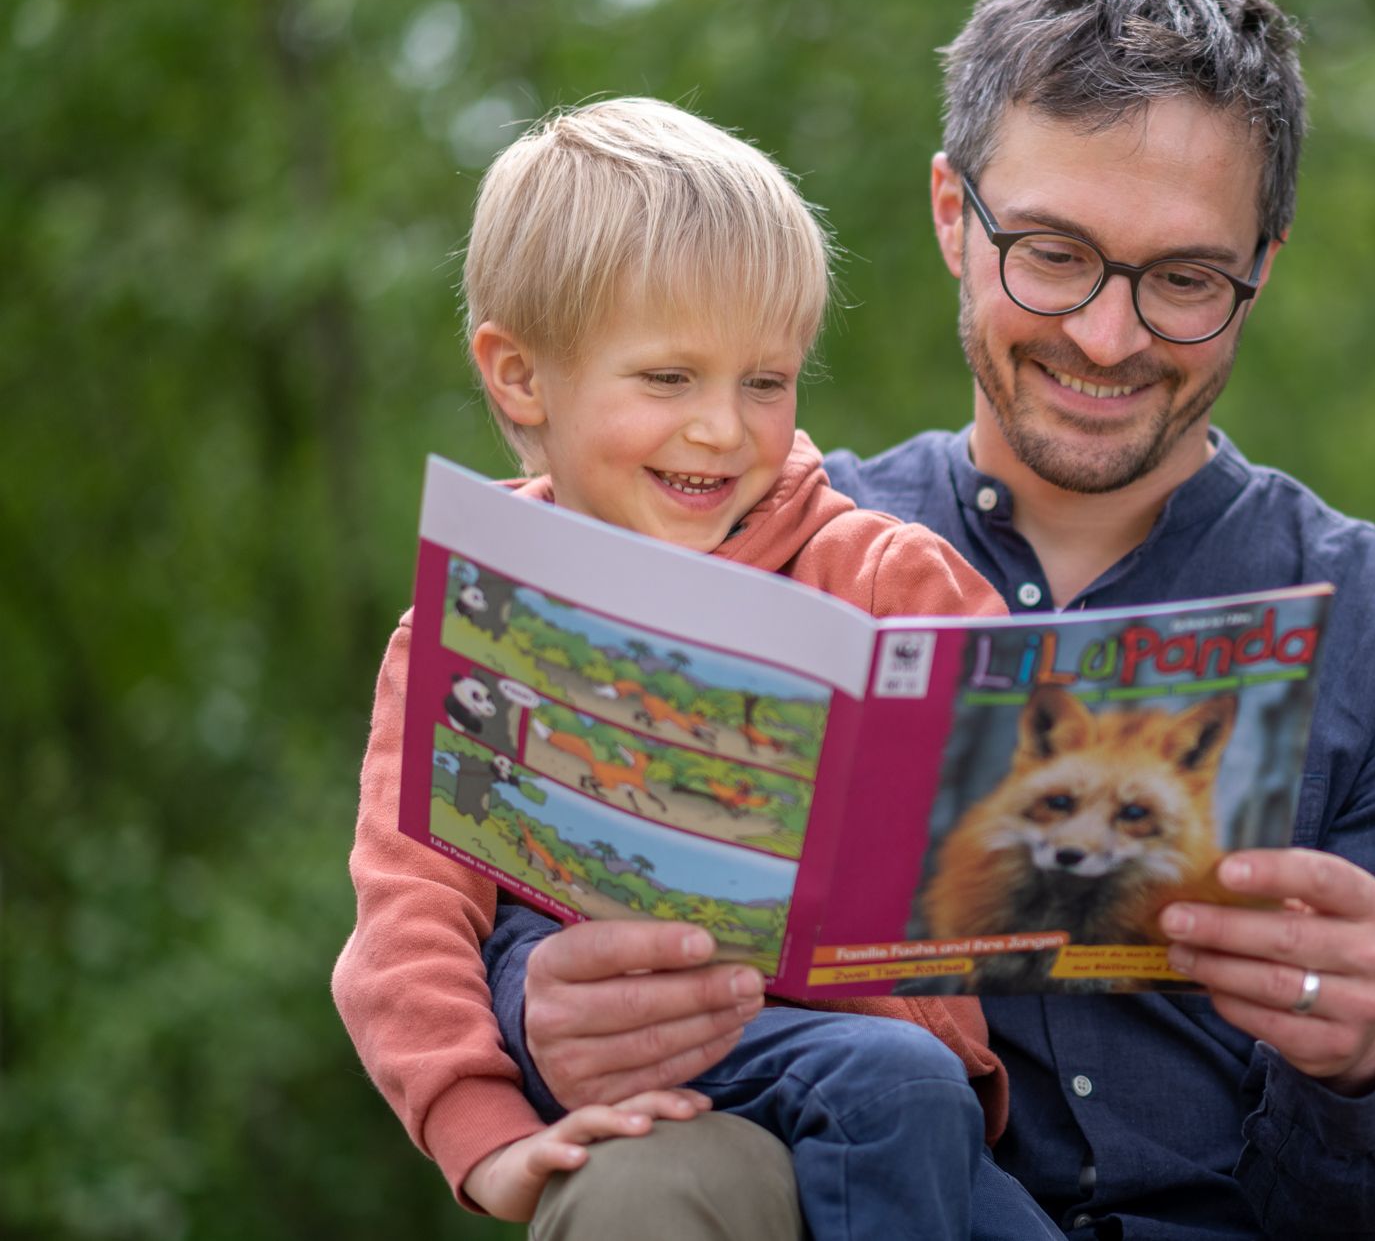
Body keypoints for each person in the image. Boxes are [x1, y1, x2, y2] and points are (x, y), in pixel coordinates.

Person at [484, 0, 1375, 1240]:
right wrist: (541, 1002)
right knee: (643, 1180)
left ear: (1264, 263)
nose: (1105, 334)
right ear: (948, 215)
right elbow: (490, 902)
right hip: (821, 1190)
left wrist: (1362, 1057)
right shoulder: (726, 540)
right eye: (1052, 252)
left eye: (1184, 279)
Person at [330, 96, 1065, 1240]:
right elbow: (406, 916)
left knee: (952, 1143)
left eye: (764, 381)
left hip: (884, 1054)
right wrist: (485, 1137)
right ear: (522, 380)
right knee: (894, 1087)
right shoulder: (468, 625)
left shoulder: (882, 574)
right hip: (651, 1036)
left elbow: (1027, 810)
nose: (723, 428)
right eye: (669, 379)